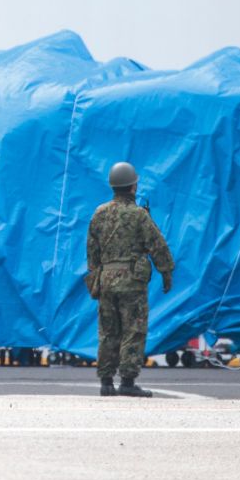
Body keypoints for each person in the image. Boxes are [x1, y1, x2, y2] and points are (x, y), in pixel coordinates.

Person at [85, 161, 174, 397]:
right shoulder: (138, 215)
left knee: (108, 331)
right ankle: (127, 381)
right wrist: (166, 272)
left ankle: (106, 381)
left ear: (113, 186)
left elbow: (92, 251)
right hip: (132, 282)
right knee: (133, 329)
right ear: (133, 186)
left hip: (106, 279)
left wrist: (97, 275)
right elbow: (157, 245)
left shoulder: (99, 213)